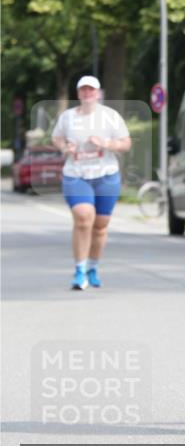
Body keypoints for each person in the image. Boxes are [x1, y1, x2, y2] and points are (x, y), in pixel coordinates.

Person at [51, 76, 131, 290]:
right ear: (78, 93)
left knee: (100, 226)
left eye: (91, 90)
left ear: (98, 93)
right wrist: (64, 147)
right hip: (76, 173)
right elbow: (56, 138)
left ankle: (92, 267)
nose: (87, 93)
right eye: (83, 90)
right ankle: (79, 270)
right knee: (84, 217)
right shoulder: (67, 117)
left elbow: (125, 143)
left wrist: (105, 143)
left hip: (106, 174)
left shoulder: (110, 116)